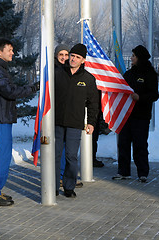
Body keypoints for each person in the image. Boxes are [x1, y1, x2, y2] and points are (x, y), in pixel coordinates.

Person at [0, 38, 40, 206]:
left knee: (2, 157)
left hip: (2, 118)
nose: (13, 53)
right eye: (10, 50)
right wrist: (33, 88)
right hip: (0, 119)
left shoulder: (0, 68)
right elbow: (9, 91)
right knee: (2, 157)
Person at [54, 43, 99, 198]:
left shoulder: (88, 79)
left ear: (83, 60)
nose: (72, 59)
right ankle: (52, 186)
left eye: (77, 57)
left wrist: (91, 122)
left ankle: (69, 186)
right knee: (55, 155)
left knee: (71, 156)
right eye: (71, 56)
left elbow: (94, 103)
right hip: (57, 122)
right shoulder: (57, 74)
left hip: (74, 124)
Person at [113, 45, 159, 183]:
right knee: (123, 144)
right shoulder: (129, 74)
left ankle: (142, 173)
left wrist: (140, 97)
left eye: (134, 56)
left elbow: (154, 95)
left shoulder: (149, 74)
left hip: (141, 117)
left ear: (140, 58)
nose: (131, 58)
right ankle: (123, 171)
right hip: (126, 115)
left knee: (140, 145)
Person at [54, 44, 84, 188]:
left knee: (70, 153)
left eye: (67, 55)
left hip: (72, 120)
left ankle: (67, 178)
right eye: (62, 55)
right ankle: (59, 177)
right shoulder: (55, 72)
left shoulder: (71, 72)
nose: (65, 58)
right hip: (57, 119)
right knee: (58, 152)